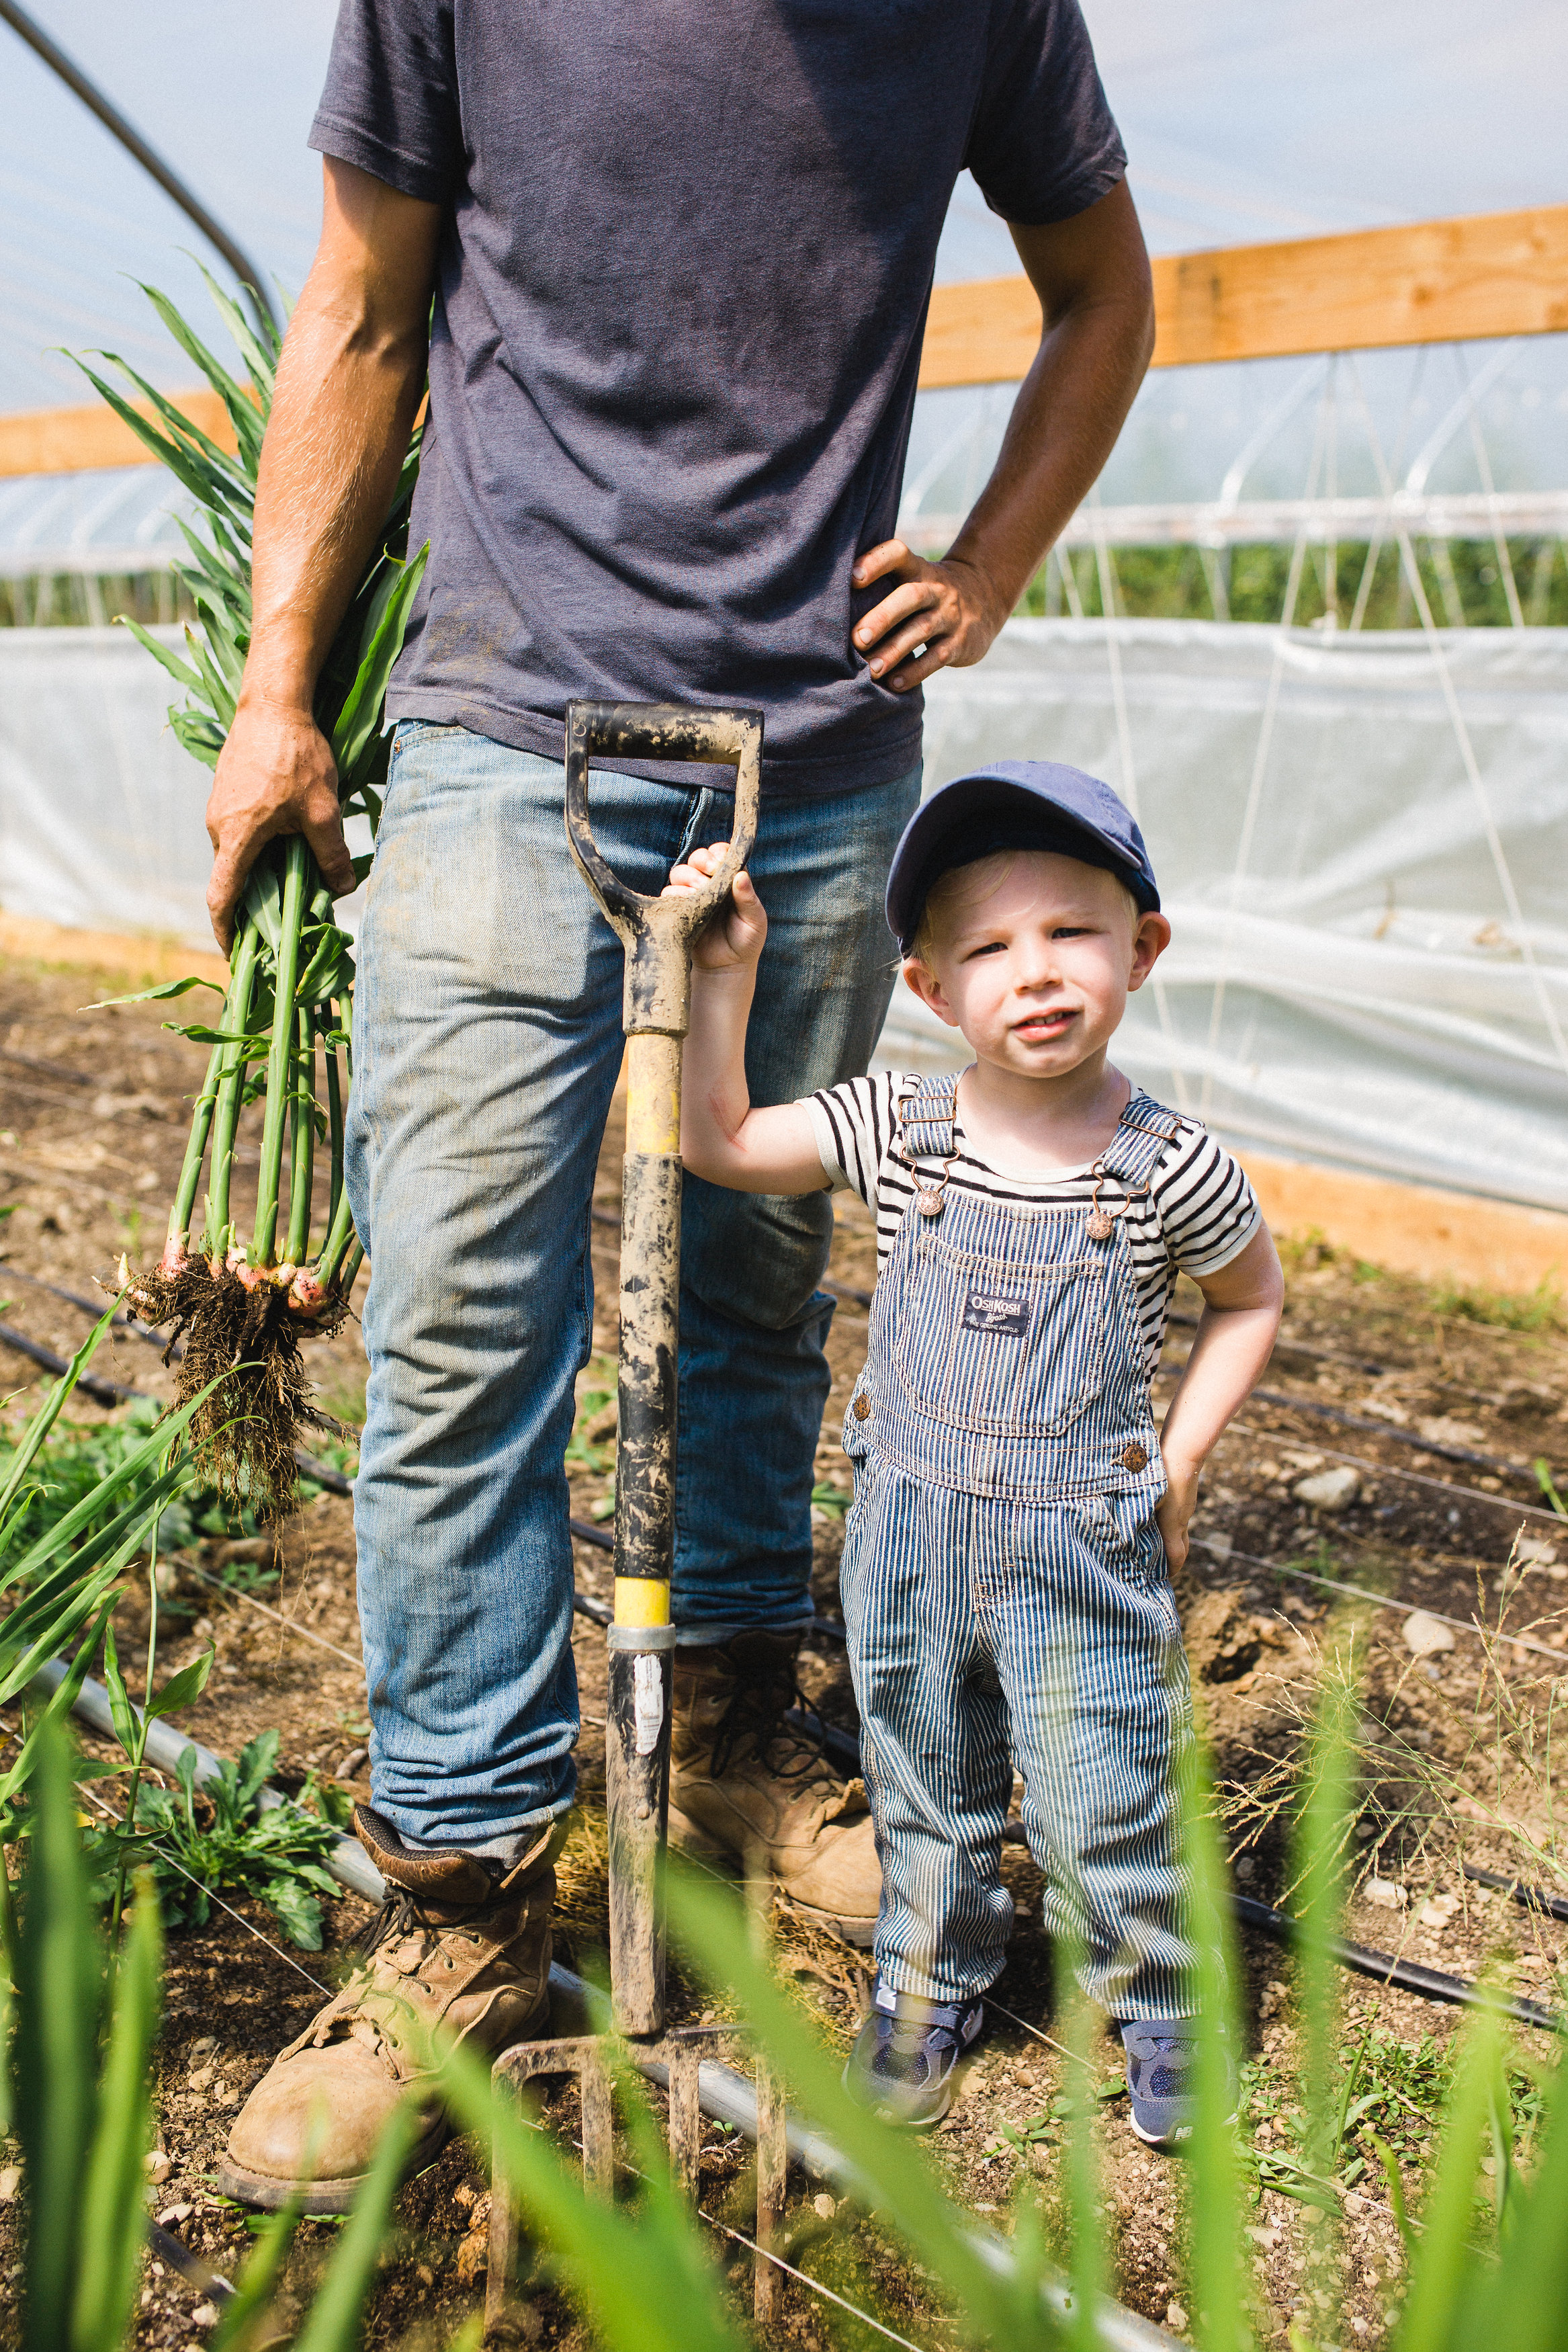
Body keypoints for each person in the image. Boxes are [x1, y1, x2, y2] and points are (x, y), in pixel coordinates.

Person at [215, 0, 1159, 2209]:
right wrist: (277, 686)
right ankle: (458, 1895)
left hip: (816, 772)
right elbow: (360, 306)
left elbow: (1104, 284)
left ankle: (732, 1740)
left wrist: (995, 559)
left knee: (754, 1278)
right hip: (488, 734)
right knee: (463, 1331)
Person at [665, 761, 1284, 2144]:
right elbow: (718, 1141)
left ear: (1145, 947)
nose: (1039, 972)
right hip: (912, 1536)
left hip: (1083, 1543)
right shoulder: (898, 1127)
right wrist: (723, 980)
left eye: (1073, 930)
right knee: (921, 1772)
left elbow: (1252, 1299)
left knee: (1105, 1783)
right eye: (992, 947)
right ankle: (930, 1979)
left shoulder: (1168, 1164)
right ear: (935, 990)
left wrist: (1176, 1462)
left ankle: (1163, 2003)